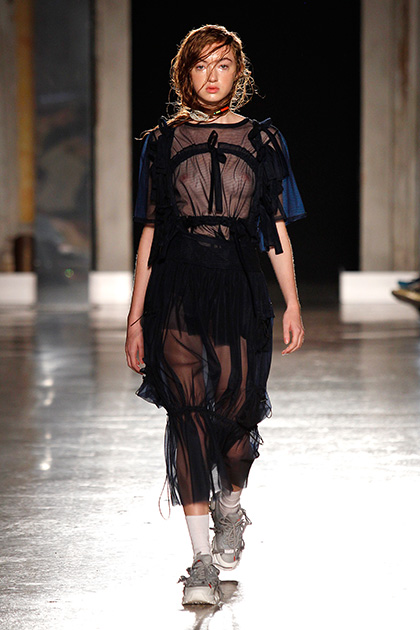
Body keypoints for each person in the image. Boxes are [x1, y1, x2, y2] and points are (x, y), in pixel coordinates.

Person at [125, 24, 306, 606]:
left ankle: (232, 504)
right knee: (188, 416)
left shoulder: (263, 139)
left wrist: (293, 303)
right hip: (176, 289)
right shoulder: (162, 142)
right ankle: (200, 563)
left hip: (237, 285)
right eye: (200, 65)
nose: (211, 75)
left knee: (235, 418)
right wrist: (135, 317)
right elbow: (151, 232)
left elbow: (275, 229)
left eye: (222, 65)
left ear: (238, 74)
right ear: (185, 74)